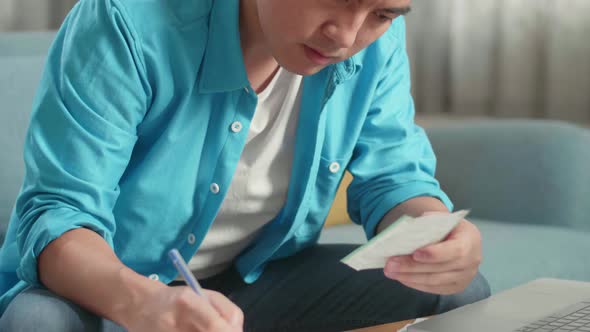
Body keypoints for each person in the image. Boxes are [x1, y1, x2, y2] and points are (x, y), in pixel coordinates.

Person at [0, 0, 490, 331]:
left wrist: (433, 234)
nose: (346, 36)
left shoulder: (377, 43)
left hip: (256, 284)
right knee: (38, 323)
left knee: (459, 291)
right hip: (119, 292)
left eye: (382, 12)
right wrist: (149, 307)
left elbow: (394, 176)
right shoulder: (126, 21)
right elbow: (59, 217)